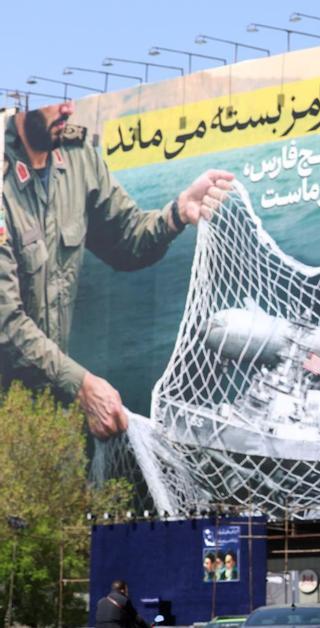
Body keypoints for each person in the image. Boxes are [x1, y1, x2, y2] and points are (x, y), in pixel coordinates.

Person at [1, 101, 234, 438]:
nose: (68, 108)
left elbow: (126, 239)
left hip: (49, 411)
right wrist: (82, 386)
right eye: (55, 98)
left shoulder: (78, 157)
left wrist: (177, 213)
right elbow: (6, 322)